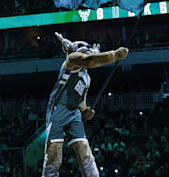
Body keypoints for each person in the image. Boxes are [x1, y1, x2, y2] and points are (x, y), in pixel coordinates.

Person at [41, 32, 129, 177]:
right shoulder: (71, 60)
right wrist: (114, 55)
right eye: (84, 51)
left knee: (83, 147)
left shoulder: (87, 78)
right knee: (54, 149)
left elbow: (81, 99)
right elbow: (89, 60)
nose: (85, 53)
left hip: (74, 112)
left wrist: (85, 110)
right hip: (58, 108)